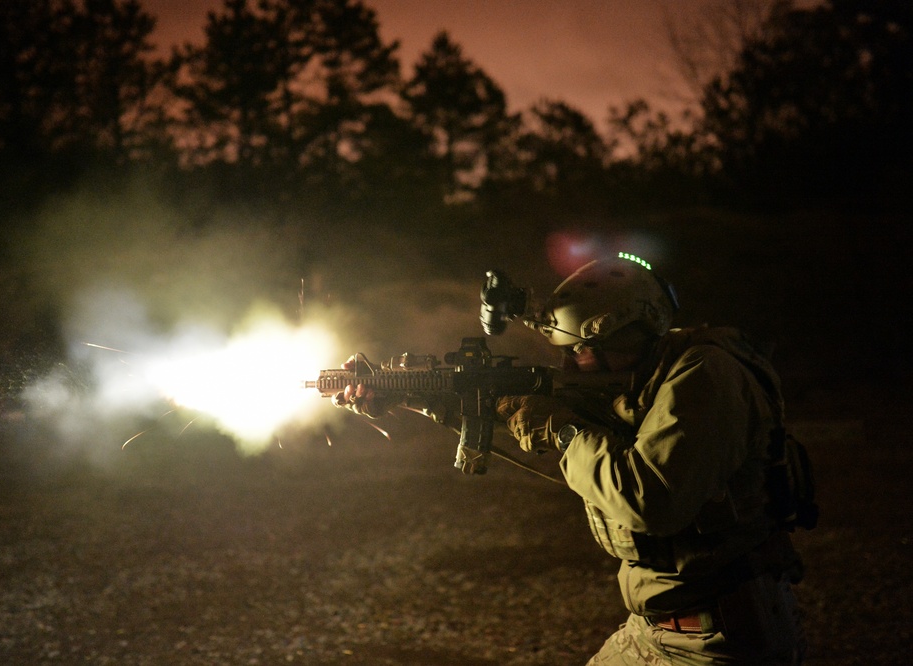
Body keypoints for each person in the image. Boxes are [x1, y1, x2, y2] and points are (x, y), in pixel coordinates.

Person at [336, 254, 808, 664]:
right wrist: (409, 395)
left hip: (722, 642)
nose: (564, 368)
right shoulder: (641, 379)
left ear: (623, 339)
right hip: (658, 631)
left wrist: (558, 428)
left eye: (578, 353)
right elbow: (534, 421)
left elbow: (648, 498)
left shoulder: (705, 377)